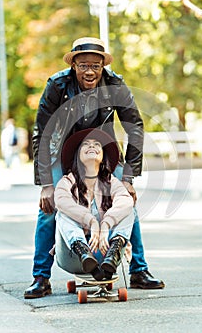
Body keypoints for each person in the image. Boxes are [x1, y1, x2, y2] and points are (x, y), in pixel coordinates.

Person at [24, 37, 165, 299]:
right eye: (83, 65)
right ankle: (40, 278)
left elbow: (135, 127)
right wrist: (46, 183)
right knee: (49, 208)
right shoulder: (57, 85)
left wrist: (129, 178)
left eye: (95, 66)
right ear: (73, 66)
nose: (89, 71)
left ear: (103, 67)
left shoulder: (115, 84)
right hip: (63, 153)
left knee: (127, 203)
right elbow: (41, 132)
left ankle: (138, 270)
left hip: (101, 151)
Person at [53, 128, 134, 281]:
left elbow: (125, 201)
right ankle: (83, 251)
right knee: (62, 213)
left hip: (105, 251)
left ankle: (114, 253)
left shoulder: (111, 182)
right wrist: (91, 221)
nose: (92, 146)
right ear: (77, 156)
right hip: (73, 255)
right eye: (86, 144)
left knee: (129, 209)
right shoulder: (67, 181)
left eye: (97, 144)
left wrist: (106, 225)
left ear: (103, 157)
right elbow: (61, 201)